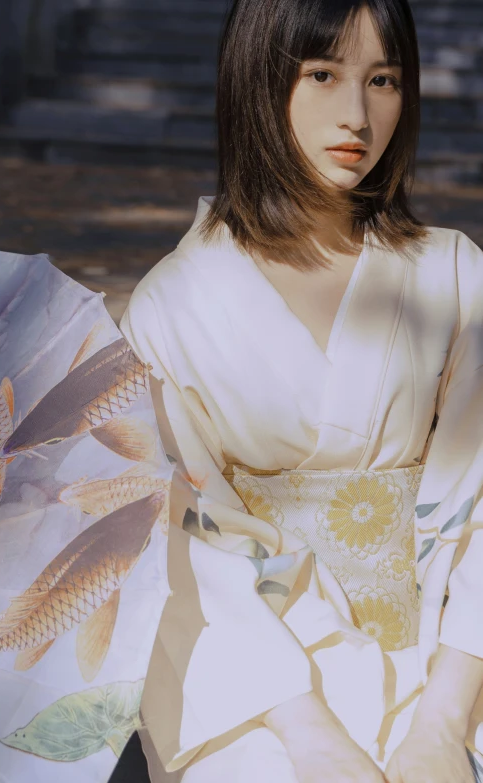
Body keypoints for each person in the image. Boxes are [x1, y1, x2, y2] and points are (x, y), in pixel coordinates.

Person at [118, 1, 483, 781]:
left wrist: (444, 722)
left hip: (451, 646)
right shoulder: (175, 304)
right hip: (253, 670)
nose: (357, 114)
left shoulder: (455, 273)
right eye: (322, 74)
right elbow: (184, 543)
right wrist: (310, 733)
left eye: (383, 80)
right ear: (258, 81)